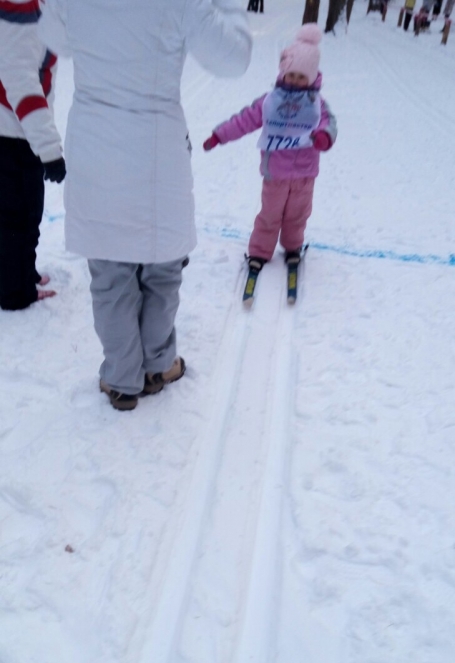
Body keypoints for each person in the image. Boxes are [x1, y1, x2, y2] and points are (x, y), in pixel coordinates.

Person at [38, 0, 252, 411]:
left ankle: (121, 377)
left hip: (96, 151)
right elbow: (232, 58)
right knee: (161, 271)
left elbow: (52, 35)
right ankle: (157, 364)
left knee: (110, 275)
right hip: (156, 153)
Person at [203, 24, 336, 274]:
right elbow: (244, 120)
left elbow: (329, 124)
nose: (295, 80)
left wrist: (324, 137)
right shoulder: (270, 102)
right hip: (275, 172)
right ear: (283, 72)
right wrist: (219, 135)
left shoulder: (317, 105)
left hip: (305, 174)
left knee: (298, 214)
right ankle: (260, 251)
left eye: (302, 76)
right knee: (270, 214)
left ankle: (293, 247)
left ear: (311, 77)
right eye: (291, 74)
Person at [0, 0, 66, 312]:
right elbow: (22, 84)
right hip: (14, 134)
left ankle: (19, 273)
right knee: (20, 217)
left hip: (14, 130)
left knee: (17, 215)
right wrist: (49, 150)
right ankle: (15, 291)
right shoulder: (18, 8)